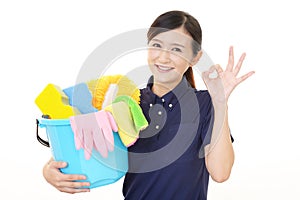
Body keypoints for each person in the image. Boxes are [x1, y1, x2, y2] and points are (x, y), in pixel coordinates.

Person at [42, 10, 254, 199]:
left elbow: (220, 172)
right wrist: (50, 170)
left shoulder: (205, 104)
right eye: (157, 45)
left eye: (177, 50)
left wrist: (220, 101)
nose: (163, 57)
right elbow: (80, 146)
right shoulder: (126, 102)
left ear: (195, 57)